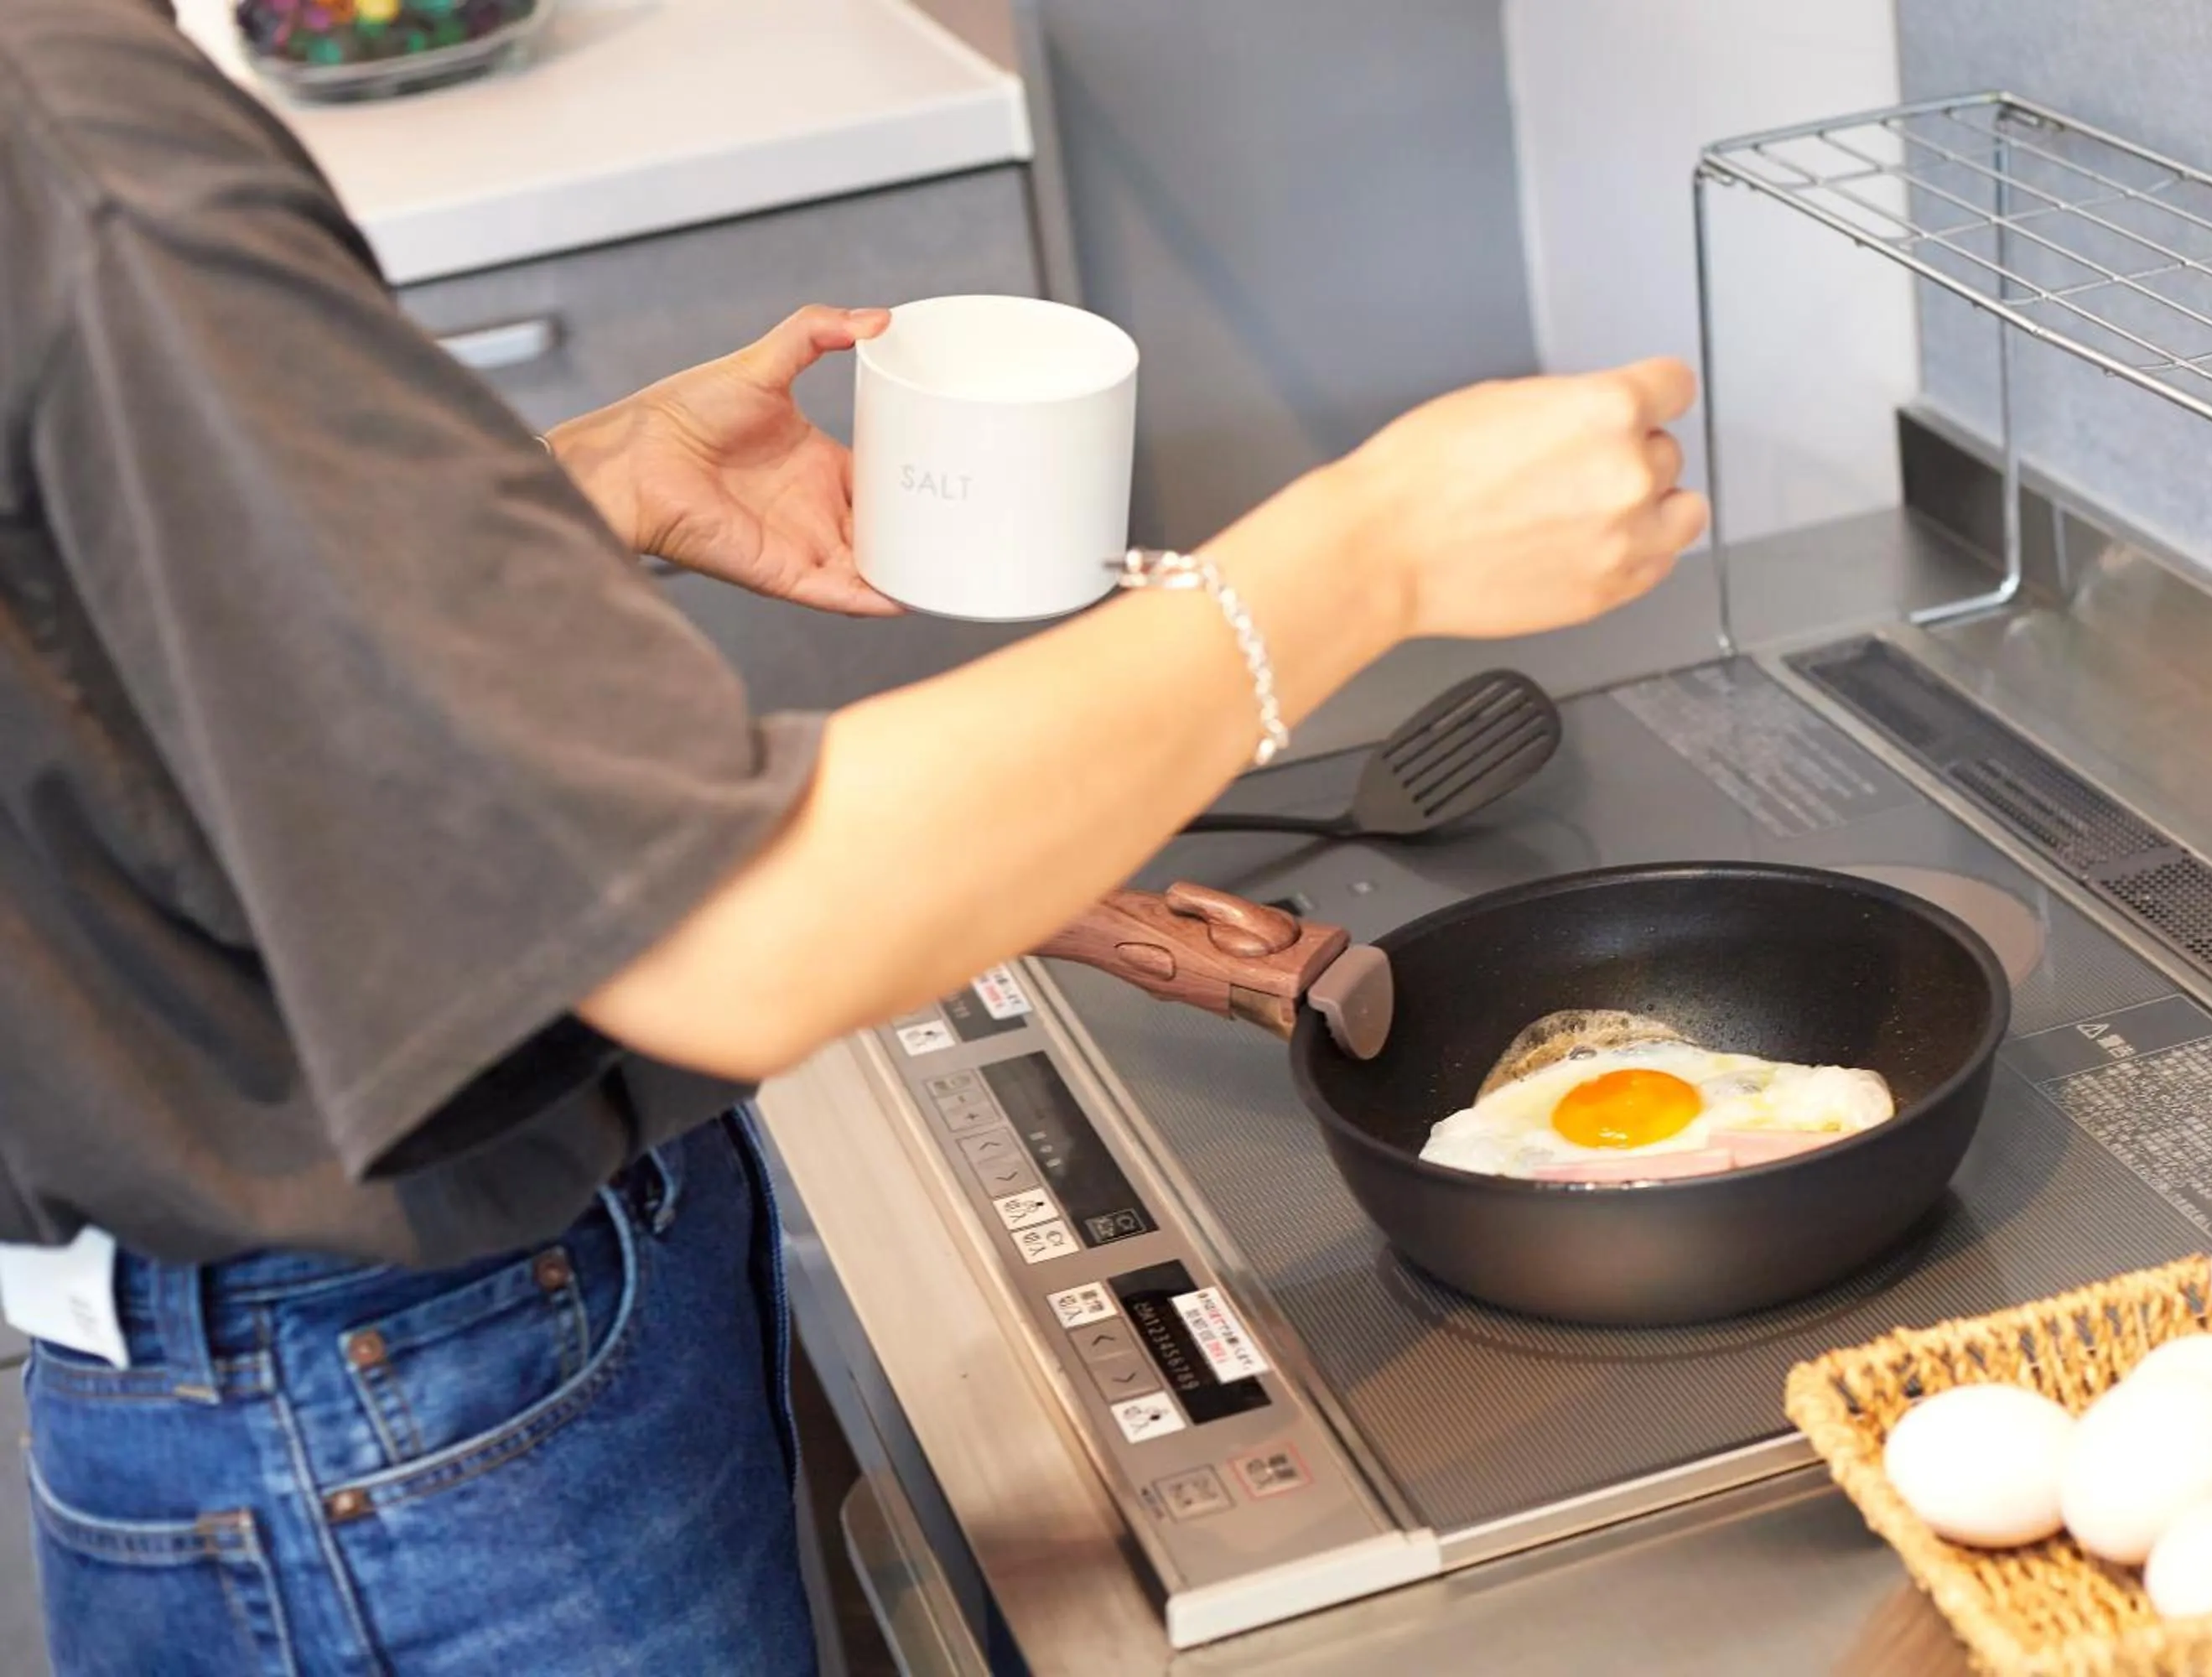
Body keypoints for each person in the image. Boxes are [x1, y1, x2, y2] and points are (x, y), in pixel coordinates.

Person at [0, 2, 1708, 1672]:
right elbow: (732, 945)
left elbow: (115, 664)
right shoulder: (91, 150)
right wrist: (1372, 549)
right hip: (395, 1401)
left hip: (284, 1367)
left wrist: (566, 486)